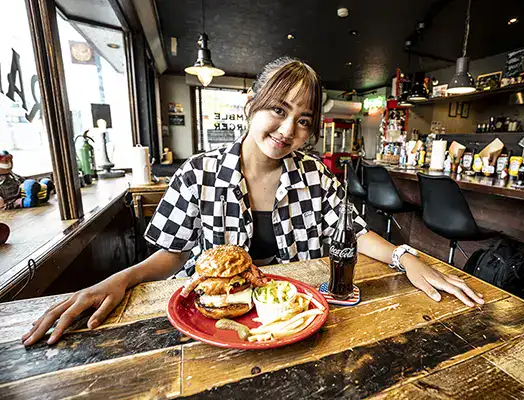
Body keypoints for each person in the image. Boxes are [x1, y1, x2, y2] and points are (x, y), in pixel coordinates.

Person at [23, 57, 483, 346]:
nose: (288, 131)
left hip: (294, 323)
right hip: (213, 327)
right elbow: (172, 255)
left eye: (304, 121)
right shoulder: (198, 173)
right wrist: (122, 279)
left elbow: (354, 234)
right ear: (251, 105)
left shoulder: (314, 174)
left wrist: (407, 256)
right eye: (278, 110)